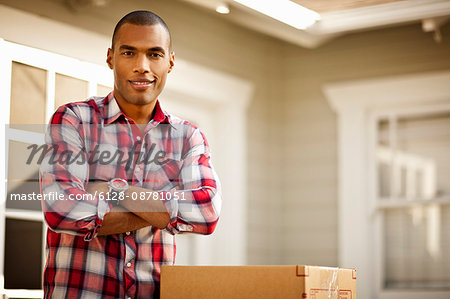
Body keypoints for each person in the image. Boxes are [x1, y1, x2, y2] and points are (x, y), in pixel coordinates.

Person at [39, 10, 221, 298]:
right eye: (129, 53)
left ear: (170, 62)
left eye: (155, 54)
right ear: (111, 57)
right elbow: (62, 210)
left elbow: (207, 212)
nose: (142, 66)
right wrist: (165, 207)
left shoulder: (188, 137)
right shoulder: (74, 119)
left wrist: (114, 190)